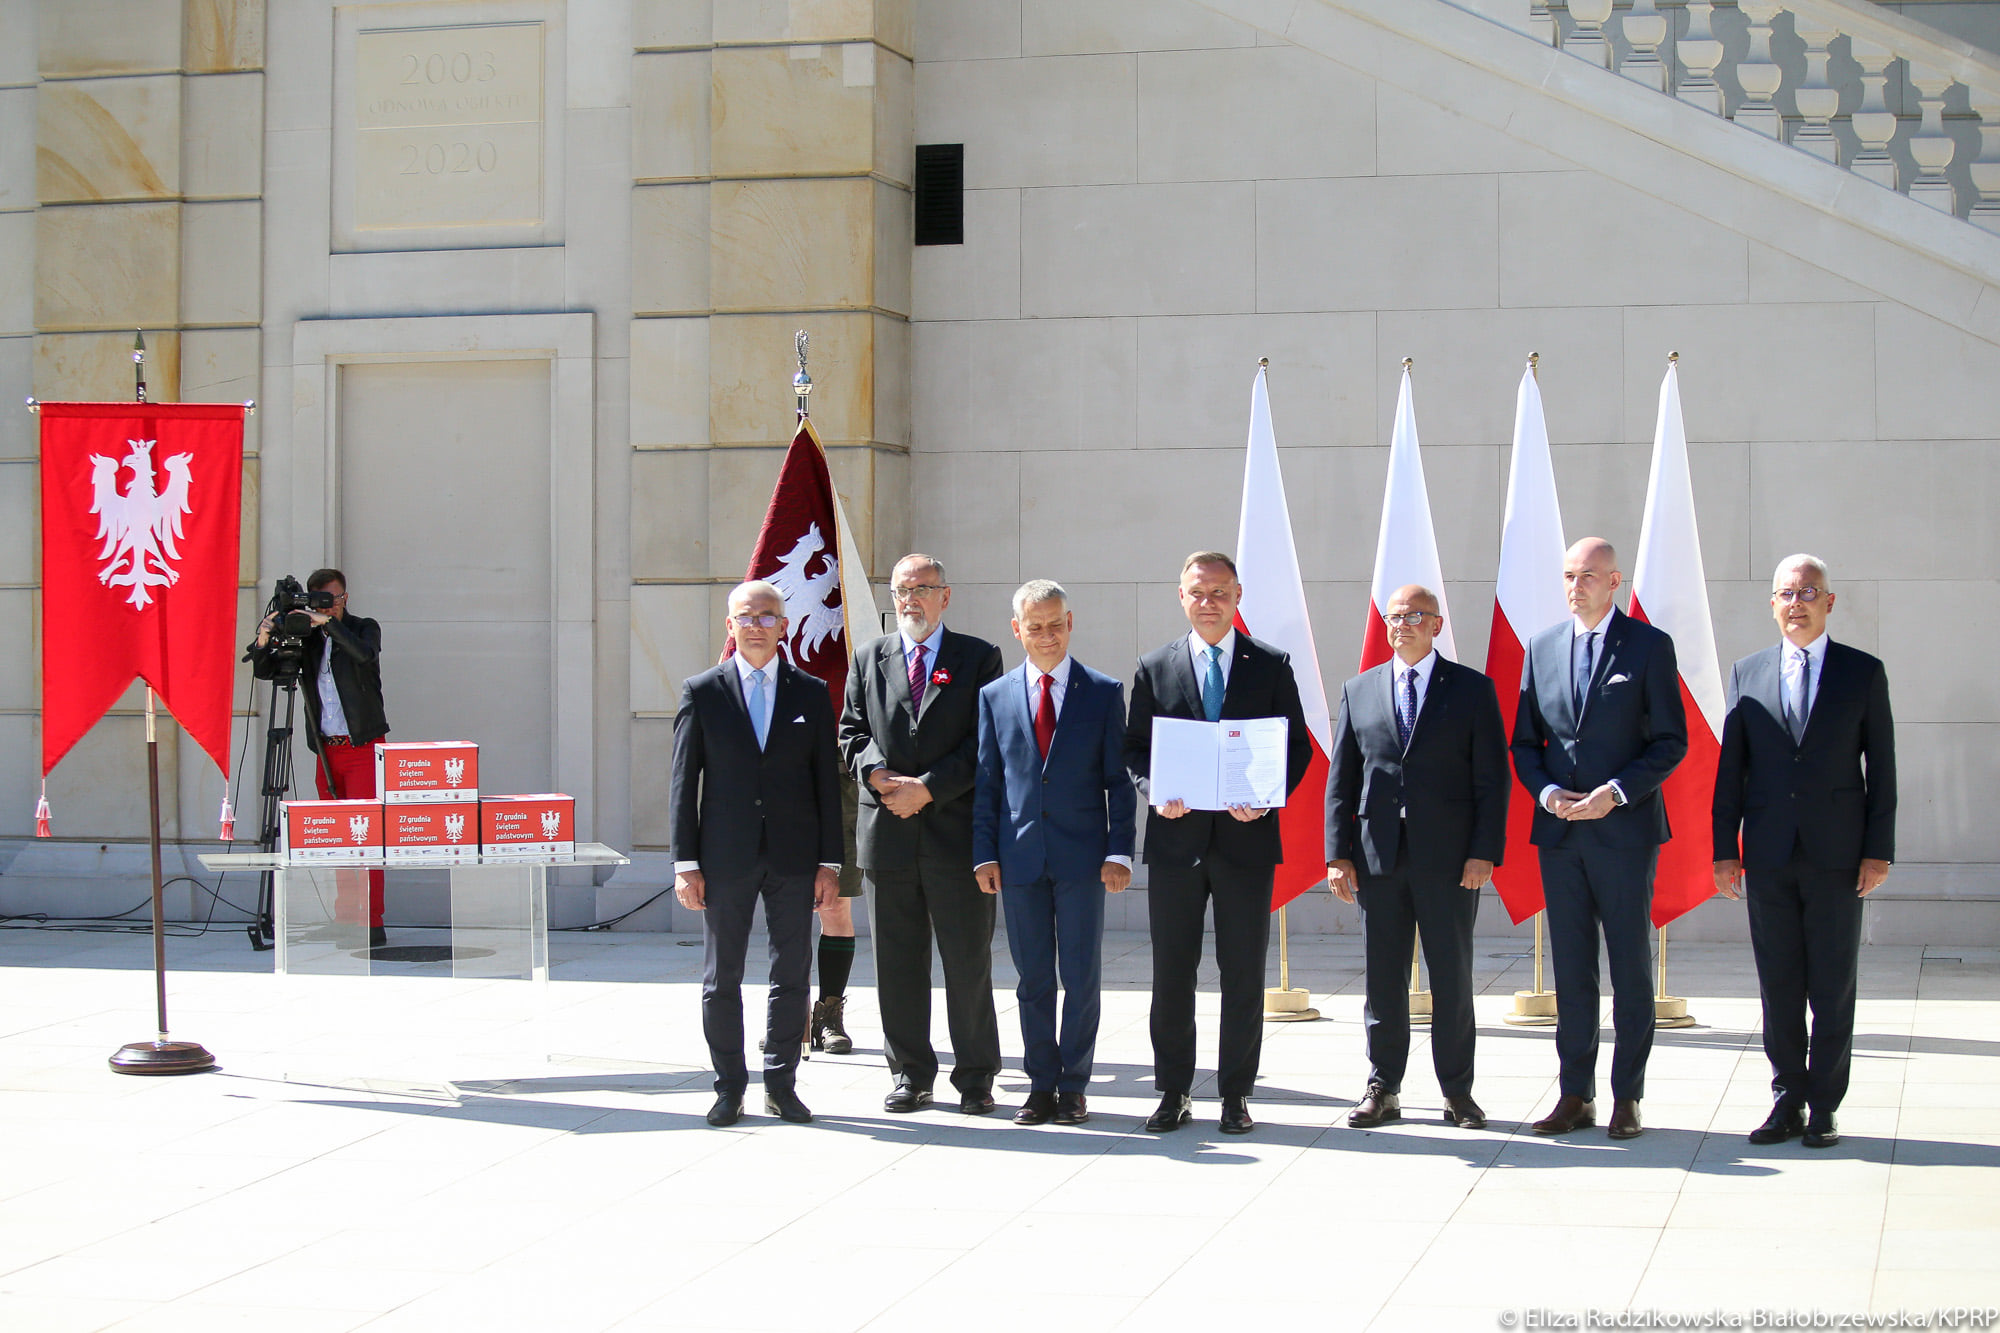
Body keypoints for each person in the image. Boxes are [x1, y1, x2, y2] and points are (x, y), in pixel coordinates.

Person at [1125, 551, 1312, 1135]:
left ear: (1238, 596)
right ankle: (1173, 1090)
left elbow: (1297, 747)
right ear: (1181, 596)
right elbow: (1135, 750)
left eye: (1220, 593)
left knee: (1242, 973)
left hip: (1246, 843)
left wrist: (1267, 794)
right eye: (1197, 592)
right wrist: (1156, 790)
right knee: (1172, 972)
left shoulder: (1271, 664)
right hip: (1178, 844)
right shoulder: (1154, 666)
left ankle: (1236, 1094)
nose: (1208, 603)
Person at [1713, 554, 1895, 1149]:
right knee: (1780, 983)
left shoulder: (1862, 673)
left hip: (1838, 855)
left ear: (1829, 603)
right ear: (1772, 604)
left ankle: (1824, 1105)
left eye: (1809, 592)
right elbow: (1730, 770)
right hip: (1766, 854)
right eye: (1786, 593)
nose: (1797, 603)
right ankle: (1786, 1097)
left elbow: (1883, 770)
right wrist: (1724, 849)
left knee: (1833, 983)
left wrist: (1878, 851)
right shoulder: (1748, 672)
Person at [1511, 537, 1688, 1141]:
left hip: (1624, 832)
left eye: (1589, 575)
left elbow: (1671, 741)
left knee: (1631, 969)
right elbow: (1524, 744)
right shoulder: (1542, 647)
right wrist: (1546, 793)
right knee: (1573, 969)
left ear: (1615, 581)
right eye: (1568, 575)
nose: (1576, 585)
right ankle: (1575, 1095)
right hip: (1561, 836)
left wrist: (1616, 790)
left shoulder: (1648, 646)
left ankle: (1627, 1097)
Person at [1325, 585, 1509, 1131]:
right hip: (1377, 857)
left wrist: (1484, 852)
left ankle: (1457, 1091)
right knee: (1383, 979)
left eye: (1414, 616)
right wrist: (1338, 853)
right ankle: (1383, 1087)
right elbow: (1342, 778)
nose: (1402, 624)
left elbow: (1492, 780)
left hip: (1450, 860)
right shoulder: (1360, 689)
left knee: (1450, 976)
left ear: (1436, 624)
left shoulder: (1472, 690)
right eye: (1394, 616)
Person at [671, 581, 842, 1127]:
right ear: (730, 626)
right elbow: (682, 784)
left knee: (791, 972)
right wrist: (685, 864)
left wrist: (830, 862)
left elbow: (826, 784)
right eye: (746, 616)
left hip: (795, 859)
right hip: (724, 858)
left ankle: (781, 1083)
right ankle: (729, 1088)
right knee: (722, 977)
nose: (757, 626)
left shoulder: (810, 692)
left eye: (768, 617)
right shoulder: (702, 691)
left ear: (784, 626)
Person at [840, 554, 1006, 1115]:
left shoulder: (979, 658)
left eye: (923, 589)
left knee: (967, 963)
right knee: (898, 965)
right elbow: (851, 730)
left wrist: (929, 788)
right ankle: (911, 1073)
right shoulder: (868, 657)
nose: (911, 599)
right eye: (902, 590)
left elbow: (986, 741)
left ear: (946, 596)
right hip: (887, 836)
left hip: (955, 837)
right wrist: (873, 771)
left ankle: (977, 1077)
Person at [972, 580, 1137, 1127]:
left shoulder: (1103, 691)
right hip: (1018, 860)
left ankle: (1074, 1085)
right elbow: (988, 782)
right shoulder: (994, 696)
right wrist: (983, 854)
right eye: (1034, 626)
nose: (1045, 635)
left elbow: (1118, 780)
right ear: (1017, 630)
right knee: (1033, 978)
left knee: (1081, 974)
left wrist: (1121, 851)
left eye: (1054, 624)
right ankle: (1040, 1084)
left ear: (1071, 624)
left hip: (1084, 859)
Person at [248, 568, 390, 948]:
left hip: (363, 747)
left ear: (346, 597)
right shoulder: (307, 638)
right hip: (327, 752)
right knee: (340, 839)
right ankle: (346, 917)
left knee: (367, 839)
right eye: (322, 600)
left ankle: (371, 923)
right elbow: (265, 670)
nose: (331, 605)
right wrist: (265, 634)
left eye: (335, 598)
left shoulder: (363, 628)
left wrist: (329, 624)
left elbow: (364, 655)